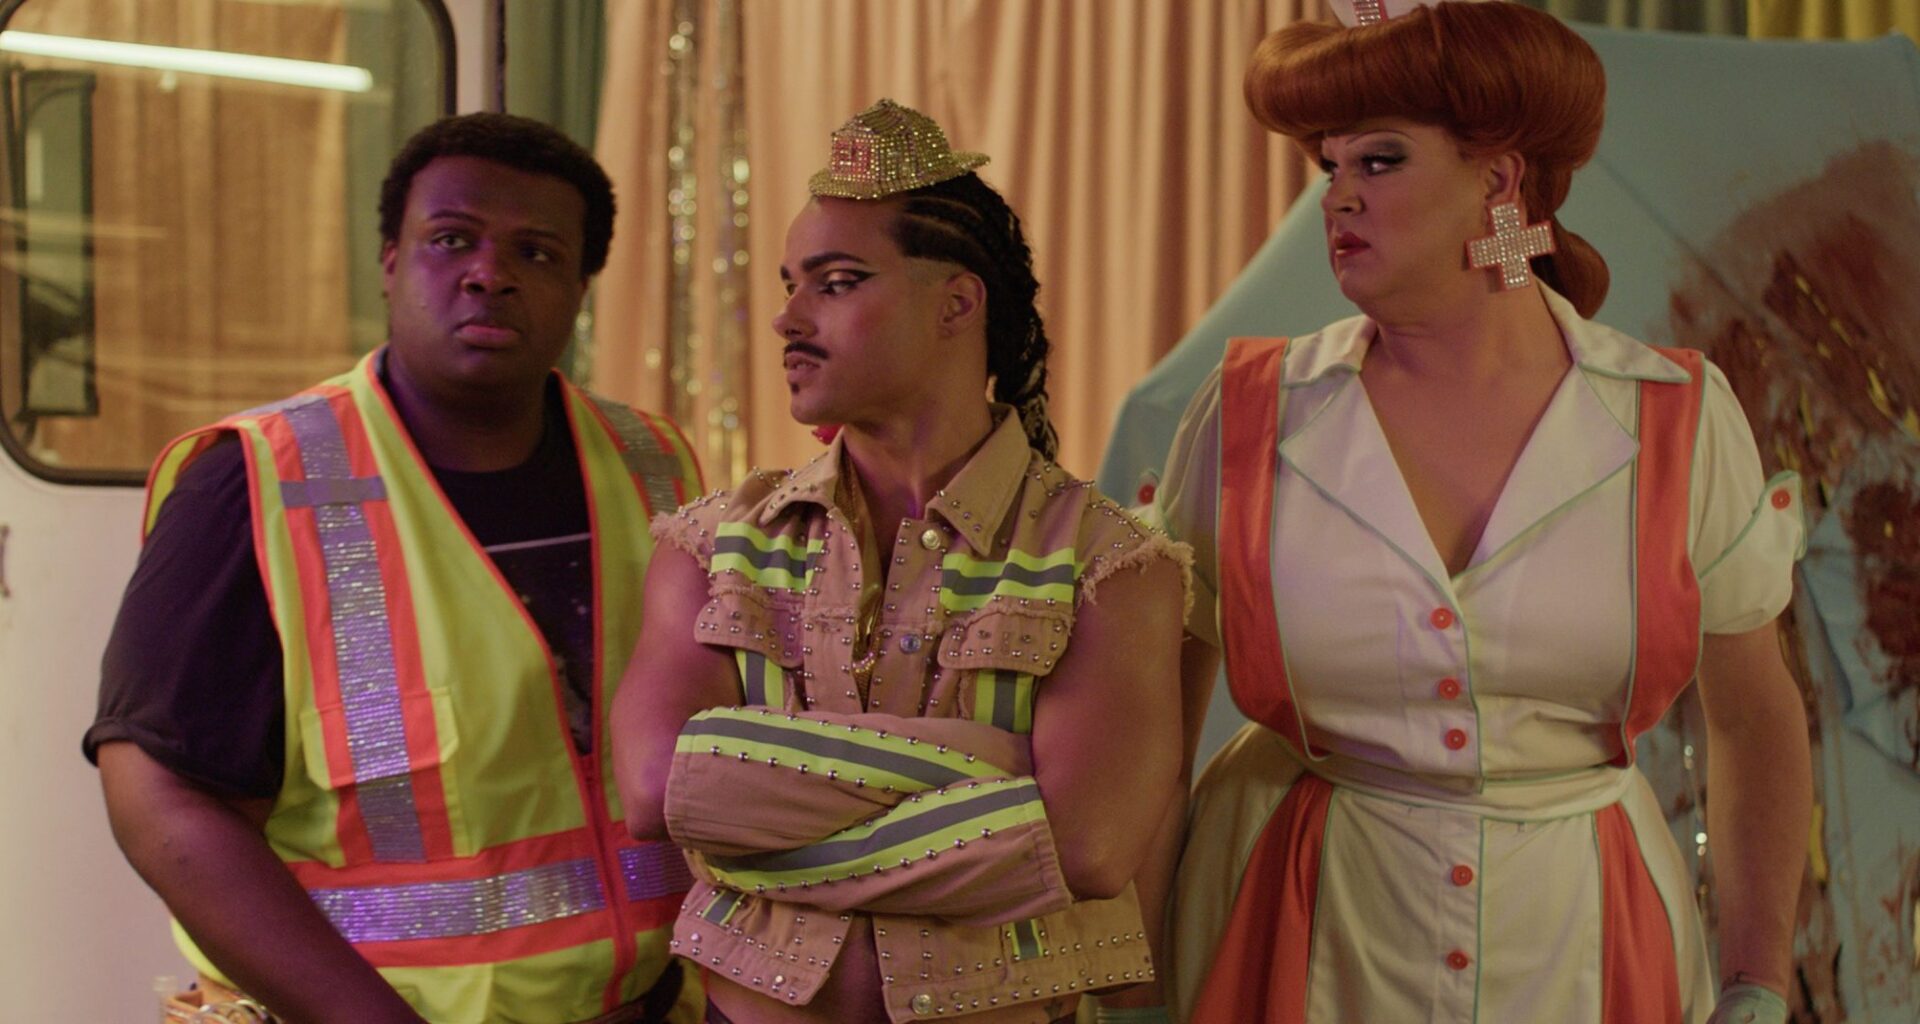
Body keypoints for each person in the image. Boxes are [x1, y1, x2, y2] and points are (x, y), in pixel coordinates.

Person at [1156, 4, 1810, 1023]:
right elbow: (1154, 716)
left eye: (1379, 161)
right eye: (1328, 165)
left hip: (1585, 939)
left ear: (1500, 181)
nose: (1338, 197)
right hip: (1292, 928)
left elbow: (1754, 714)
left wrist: (1757, 979)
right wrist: (1128, 981)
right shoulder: (1250, 411)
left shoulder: (1674, 416)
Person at [86, 113, 707, 1024]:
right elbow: (164, 797)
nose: (489, 273)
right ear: (388, 260)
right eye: (451, 240)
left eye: (536, 253)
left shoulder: (657, 468)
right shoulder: (257, 481)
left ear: (581, 288)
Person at [611, 99, 1189, 1024]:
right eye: (790, 284)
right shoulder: (714, 545)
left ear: (958, 303)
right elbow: (655, 792)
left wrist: (755, 802)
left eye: (836, 283)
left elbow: (1087, 846)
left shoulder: (1110, 564)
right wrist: (991, 770)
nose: (787, 318)